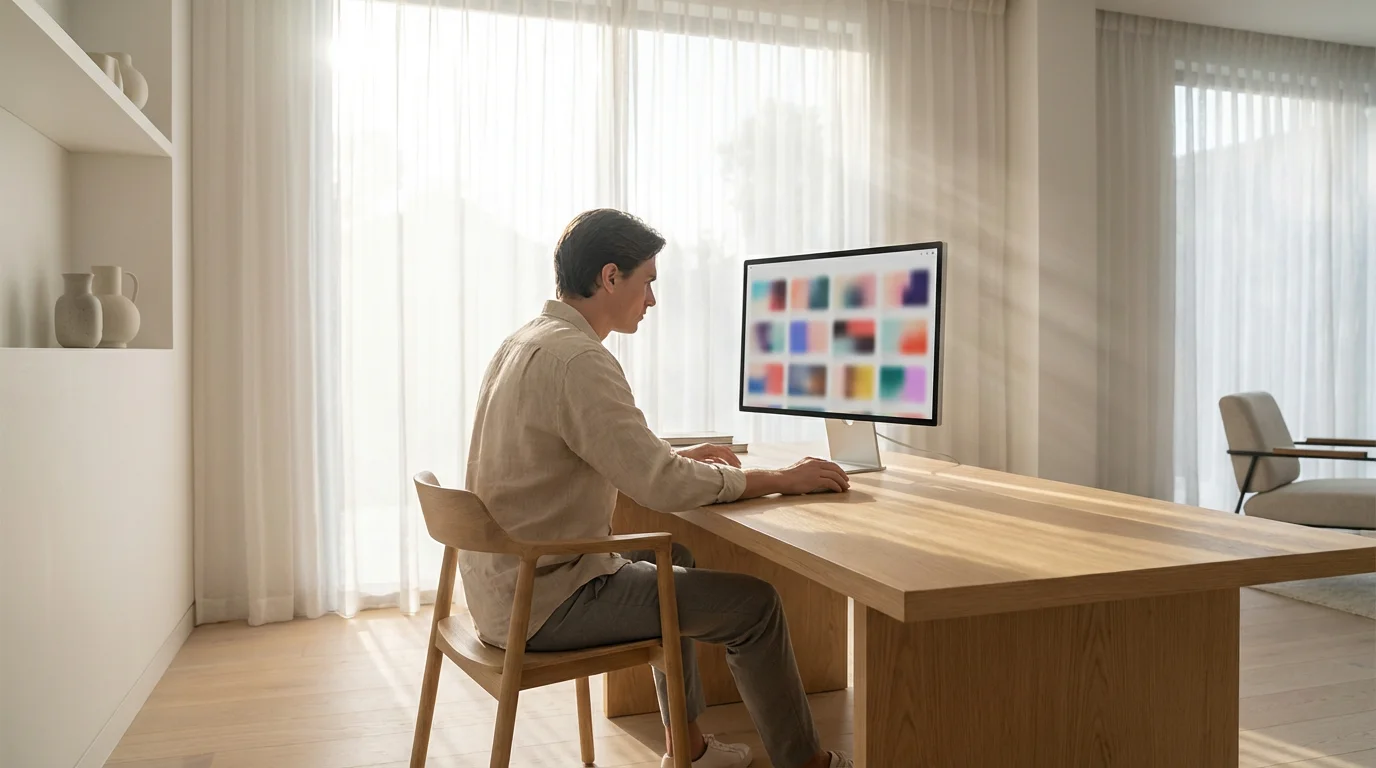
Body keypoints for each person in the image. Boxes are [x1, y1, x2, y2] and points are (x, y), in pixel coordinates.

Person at [461, 209, 854, 768]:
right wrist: (778, 480)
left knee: (678, 559)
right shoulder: (580, 359)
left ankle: (687, 750)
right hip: (545, 602)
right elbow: (659, 485)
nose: (651, 299)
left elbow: (603, 450)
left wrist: (673, 458)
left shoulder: (525, 341)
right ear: (610, 277)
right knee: (757, 606)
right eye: (646, 281)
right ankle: (807, 764)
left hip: (506, 589)